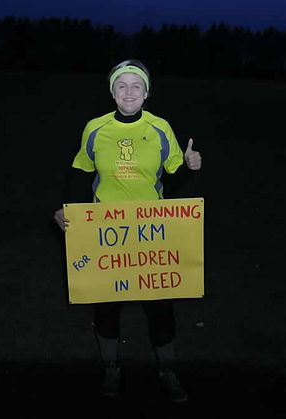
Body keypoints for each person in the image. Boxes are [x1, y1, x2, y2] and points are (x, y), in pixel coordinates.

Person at [53, 59, 202, 403]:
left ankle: (167, 370)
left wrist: (190, 167)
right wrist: (67, 209)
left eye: (137, 85)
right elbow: (79, 174)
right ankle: (111, 368)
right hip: (106, 233)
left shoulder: (161, 127)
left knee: (161, 308)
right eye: (122, 85)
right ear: (112, 92)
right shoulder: (95, 128)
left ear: (147, 92)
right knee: (106, 308)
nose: (129, 91)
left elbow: (174, 177)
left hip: (151, 233)